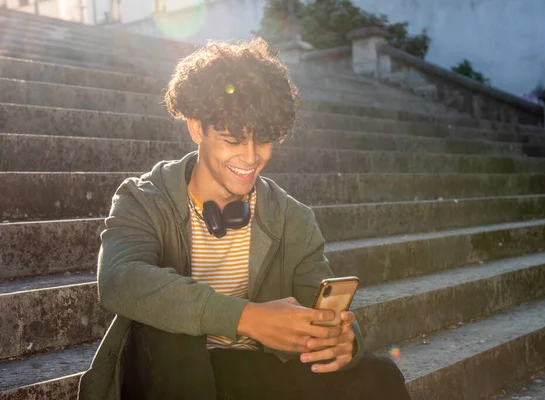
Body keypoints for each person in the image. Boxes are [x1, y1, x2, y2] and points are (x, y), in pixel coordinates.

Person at [77, 38, 411, 400]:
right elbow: (119, 280)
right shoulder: (144, 200)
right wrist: (246, 317)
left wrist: (344, 341)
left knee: (379, 374)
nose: (250, 157)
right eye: (232, 139)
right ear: (195, 127)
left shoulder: (291, 218)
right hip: (173, 372)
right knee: (168, 330)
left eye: (263, 140)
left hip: (258, 372)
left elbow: (319, 302)